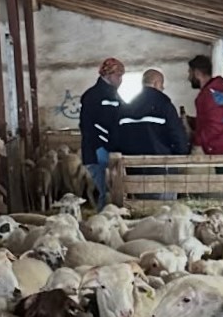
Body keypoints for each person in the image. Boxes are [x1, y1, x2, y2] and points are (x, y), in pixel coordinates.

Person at [113, 68, 189, 156]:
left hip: (131, 165)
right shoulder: (164, 105)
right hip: (160, 164)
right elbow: (178, 137)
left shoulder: (127, 108)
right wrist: (180, 156)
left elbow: (117, 138)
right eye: (161, 85)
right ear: (156, 83)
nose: (163, 88)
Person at [80, 57, 124, 207]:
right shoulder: (99, 96)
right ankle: (103, 225)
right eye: (118, 76)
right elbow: (91, 126)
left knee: (109, 192)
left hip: (101, 149)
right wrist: (102, 147)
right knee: (106, 194)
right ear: (108, 75)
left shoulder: (106, 94)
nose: (120, 80)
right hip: (100, 151)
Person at [187, 54, 223, 155]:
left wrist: (197, 141)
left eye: (190, 73)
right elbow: (216, 117)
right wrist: (193, 121)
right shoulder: (222, 87)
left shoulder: (209, 94)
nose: (189, 78)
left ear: (197, 73)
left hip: (221, 149)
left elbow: (216, 125)